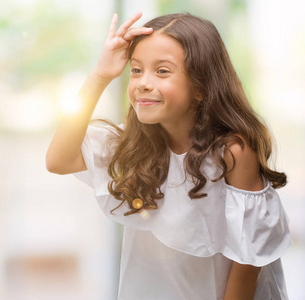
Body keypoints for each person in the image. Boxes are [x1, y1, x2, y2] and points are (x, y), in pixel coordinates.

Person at [46, 11, 292, 300]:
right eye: (136, 70)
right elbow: (58, 161)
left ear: (201, 87)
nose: (143, 83)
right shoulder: (130, 144)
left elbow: (247, 262)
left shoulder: (232, 151)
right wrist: (101, 75)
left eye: (162, 71)